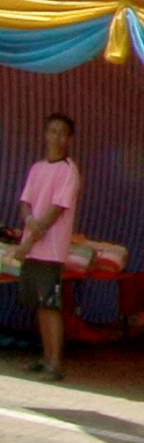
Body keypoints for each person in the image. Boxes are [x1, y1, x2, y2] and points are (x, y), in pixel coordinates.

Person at [15, 110, 81, 379]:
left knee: (51, 306)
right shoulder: (37, 168)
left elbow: (56, 210)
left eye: (61, 132)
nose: (56, 136)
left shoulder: (69, 170)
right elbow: (24, 201)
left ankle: (55, 365)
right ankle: (45, 358)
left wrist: (28, 240)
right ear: (45, 134)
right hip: (33, 247)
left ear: (69, 139)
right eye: (52, 131)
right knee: (41, 306)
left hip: (50, 250)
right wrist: (29, 221)